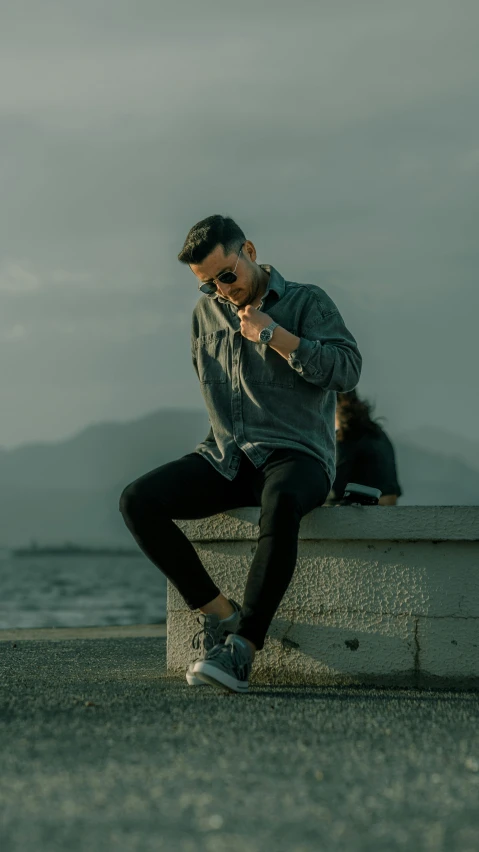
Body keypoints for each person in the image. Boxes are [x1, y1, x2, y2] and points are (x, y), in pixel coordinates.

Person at [119, 214, 362, 693]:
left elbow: (348, 370)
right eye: (207, 284)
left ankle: (242, 650)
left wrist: (274, 335)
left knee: (282, 501)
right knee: (136, 500)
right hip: (228, 455)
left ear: (248, 251)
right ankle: (222, 614)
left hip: (299, 455)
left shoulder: (306, 301)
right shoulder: (204, 315)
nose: (221, 290)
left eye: (226, 275)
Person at [329, 389, 402, 506]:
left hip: (366, 513)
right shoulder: (378, 433)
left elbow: (333, 489)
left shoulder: (346, 435)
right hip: (387, 511)